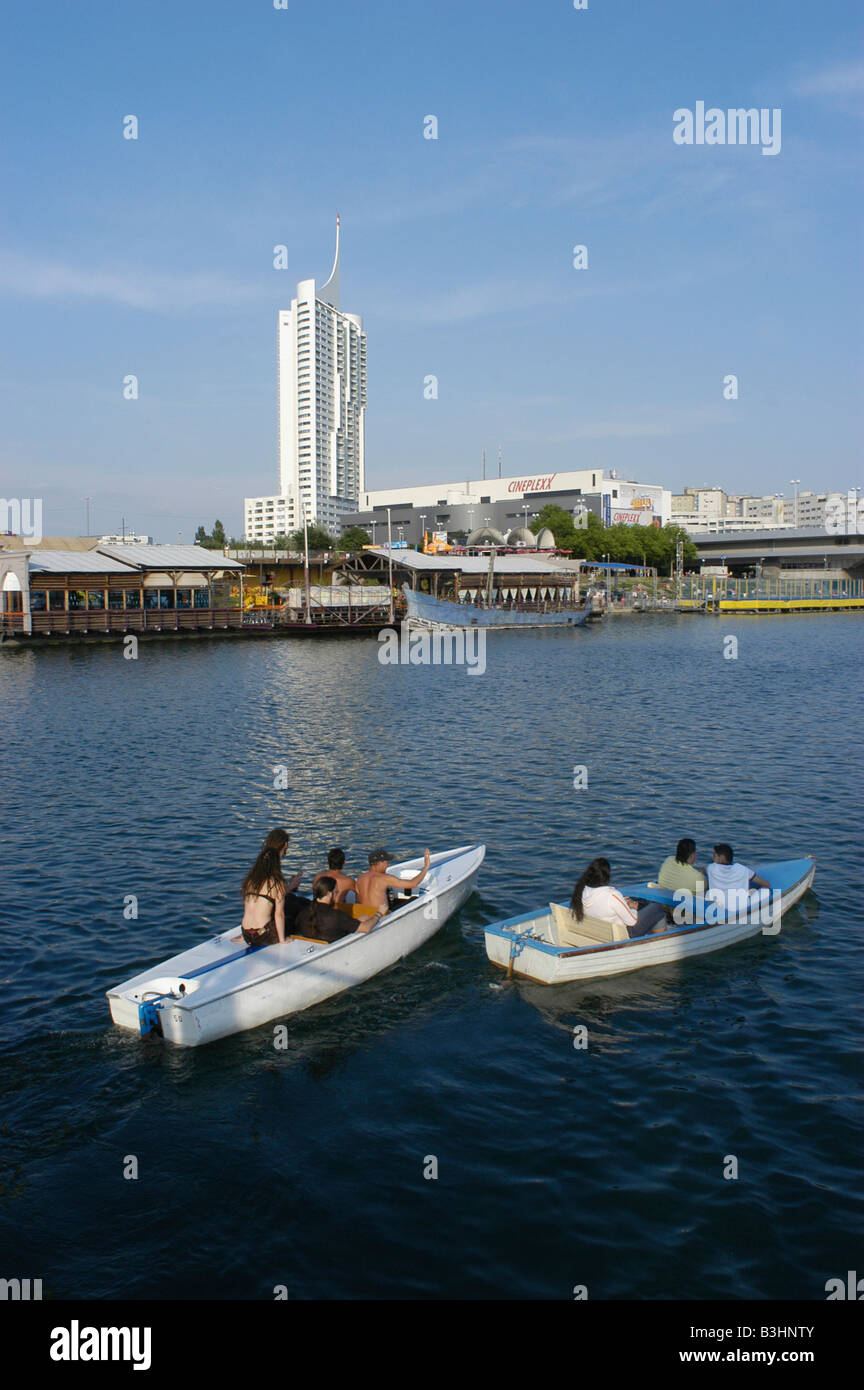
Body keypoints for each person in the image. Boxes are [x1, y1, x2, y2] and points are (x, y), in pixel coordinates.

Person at [570, 857, 666, 939]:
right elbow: (632, 921)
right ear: (607, 876)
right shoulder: (612, 895)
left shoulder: (582, 891)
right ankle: (660, 940)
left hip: (600, 930)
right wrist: (632, 907)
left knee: (641, 905)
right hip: (623, 933)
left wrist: (623, 902)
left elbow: (602, 904)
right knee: (657, 908)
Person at [240, 828, 305, 946]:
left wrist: (289, 887)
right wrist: (282, 941)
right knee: (292, 918)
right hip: (263, 936)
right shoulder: (276, 882)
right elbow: (279, 914)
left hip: (246, 934)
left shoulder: (251, 880)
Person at [295, 876, 381, 942]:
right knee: (365, 918)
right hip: (336, 944)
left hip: (316, 943)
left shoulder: (303, 912)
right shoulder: (336, 916)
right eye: (336, 892)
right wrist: (379, 914)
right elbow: (366, 928)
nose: (337, 895)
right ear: (329, 894)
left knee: (361, 919)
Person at [356, 847, 431, 916]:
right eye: (386, 862)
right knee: (414, 898)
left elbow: (358, 901)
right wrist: (426, 867)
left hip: (364, 915)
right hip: (381, 916)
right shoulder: (384, 878)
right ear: (379, 863)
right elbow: (413, 884)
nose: (388, 865)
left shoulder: (360, 879)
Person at [706, 844, 770, 910]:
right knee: (766, 890)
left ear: (721, 857)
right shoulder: (743, 869)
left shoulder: (710, 868)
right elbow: (766, 884)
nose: (713, 858)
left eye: (714, 856)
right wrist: (755, 888)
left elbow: (703, 871)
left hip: (719, 906)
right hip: (741, 907)